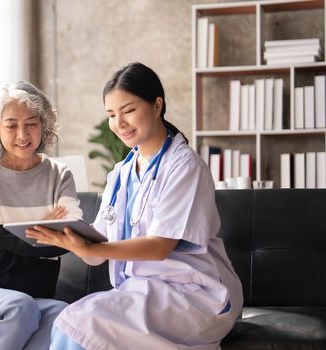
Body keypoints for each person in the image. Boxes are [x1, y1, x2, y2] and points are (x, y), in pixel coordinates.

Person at [26, 62, 243, 350]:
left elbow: (160, 246)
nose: (119, 123)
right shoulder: (120, 174)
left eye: (128, 111)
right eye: (111, 115)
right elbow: (96, 256)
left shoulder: (184, 165)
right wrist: (70, 237)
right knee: (72, 323)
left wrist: (93, 248)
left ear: (157, 105)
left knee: (78, 324)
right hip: (141, 293)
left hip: (194, 296)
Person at [0, 81, 83, 350]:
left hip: (34, 296)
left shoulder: (59, 175)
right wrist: (40, 234)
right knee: (19, 307)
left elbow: (66, 240)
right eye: (11, 125)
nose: (22, 134)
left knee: (66, 316)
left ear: (44, 125)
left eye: (32, 123)